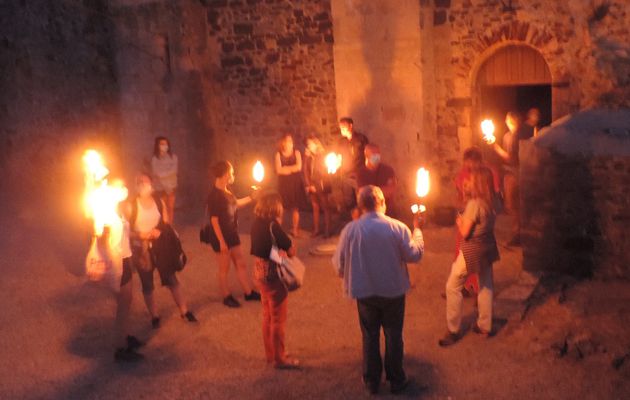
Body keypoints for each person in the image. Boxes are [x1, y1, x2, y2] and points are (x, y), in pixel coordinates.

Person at [332, 185, 425, 395]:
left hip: (365, 293)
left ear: (361, 206)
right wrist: (418, 229)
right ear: (382, 203)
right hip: (393, 291)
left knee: (369, 335)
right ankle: (396, 379)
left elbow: (339, 264)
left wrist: (353, 274)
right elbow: (415, 255)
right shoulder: (398, 227)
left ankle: (372, 380)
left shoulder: (351, 230)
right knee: (393, 334)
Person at [439, 169, 500, 347]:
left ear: (479, 184)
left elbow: (465, 232)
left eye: (472, 181)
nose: (469, 182)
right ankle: (484, 325)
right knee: (485, 284)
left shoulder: (475, 204)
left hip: (473, 249)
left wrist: (460, 221)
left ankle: (453, 330)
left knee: (452, 286)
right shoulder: (493, 201)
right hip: (488, 246)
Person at [130, 173, 196, 329]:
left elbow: (166, 221)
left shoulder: (158, 201)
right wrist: (141, 235)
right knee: (147, 283)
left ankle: (184, 310)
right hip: (142, 249)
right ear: (136, 185)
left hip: (160, 246)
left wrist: (159, 230)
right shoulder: (131, 206)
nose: (144, 185)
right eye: (140, 182)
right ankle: (155, 316)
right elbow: (126, 230)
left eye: (146, 182)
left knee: (171, 278)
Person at [250, 192, 300, 369]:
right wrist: (289, 248)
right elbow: (290, 250)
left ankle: (271, 354)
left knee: (267, 315)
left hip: (260, 273)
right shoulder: (273, 226)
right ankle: (280, 358)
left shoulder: (256, 224)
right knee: (278, 318)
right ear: (275, 207)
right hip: (274, 275)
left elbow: (259, 248)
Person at [207, 161, 261, 308]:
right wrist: (221, 242)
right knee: (224, 269)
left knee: (240, 263)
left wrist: (251, 197)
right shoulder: (214, 196)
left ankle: (248, 293)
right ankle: (226, 296)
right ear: (225, 175)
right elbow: (214, 221)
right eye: (231, 173)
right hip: (221, 237)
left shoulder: (227, 191)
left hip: (232, 233)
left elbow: (235, 203)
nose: (233, 175)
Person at [489, 111, 521, 246]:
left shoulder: (518, 136)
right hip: (508, 173)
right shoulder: (507, 136)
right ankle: (518, 232)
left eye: (508, 119)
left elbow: (511, 158)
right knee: (510, 205)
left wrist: (494, 146)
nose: (506, 121)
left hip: (516, 174)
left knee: (513, 205)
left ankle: (518, 232)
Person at [337, 117, 369, 220]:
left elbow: (367, 155)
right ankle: (355, 222)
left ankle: (363, 222)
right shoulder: (341, 142)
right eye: (340, 126)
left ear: (350, 126)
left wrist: (365, 172)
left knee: (361, 199)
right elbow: (339, 157)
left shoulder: (361, 139)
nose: (341, 128)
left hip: (359, 174)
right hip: (346, 175)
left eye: (343, 126)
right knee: (349, 201)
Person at [275, 134, 305, 237]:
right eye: (288, 141)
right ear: (283, 142)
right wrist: (291, 169)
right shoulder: (278, 154)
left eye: (291, 141)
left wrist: (286, 169)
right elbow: (278, 170)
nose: (290, 143)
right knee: (281, 207)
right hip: (284, 184)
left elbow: (299, 167)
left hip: (295, 183)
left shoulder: (296, 153)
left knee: (295, 207)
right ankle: (277, 231)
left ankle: (295, 229)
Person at [303, 135, 332, 237]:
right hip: (311, 184)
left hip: (321, 184)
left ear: (316, 143)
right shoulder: (308, 156)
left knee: (325, 207)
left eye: (310, 144)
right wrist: (308, 184)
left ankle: (327, 230)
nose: (309, 146)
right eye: (308, 144)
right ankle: (316, 229)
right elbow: (305, 170)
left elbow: (323, 171)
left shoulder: (323, 155)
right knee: (315, 206)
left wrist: (316, 184)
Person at [356, 144, 397, 216]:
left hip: (388, 212)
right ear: (367, 156)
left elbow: (391, 190)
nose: (377, 157)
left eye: (378, 154)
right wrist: (383, 190)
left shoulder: (388, 170)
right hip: (369, 214)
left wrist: (371, 192)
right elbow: (364, 195)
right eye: (373, 155)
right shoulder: (361, 173)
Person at [151, 136, 178, 224]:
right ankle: (163, 228)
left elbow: (174, 171)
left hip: (171, 187)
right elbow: (156, 173)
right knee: (162, 209)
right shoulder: (155, 159)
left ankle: (170, 228)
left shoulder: (173, 157)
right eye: (162, 144)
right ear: (158, 145)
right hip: (160, 188)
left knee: (170, 208)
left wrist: (163, 175)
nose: (164, 146)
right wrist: (165, 176)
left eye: (166, 144)